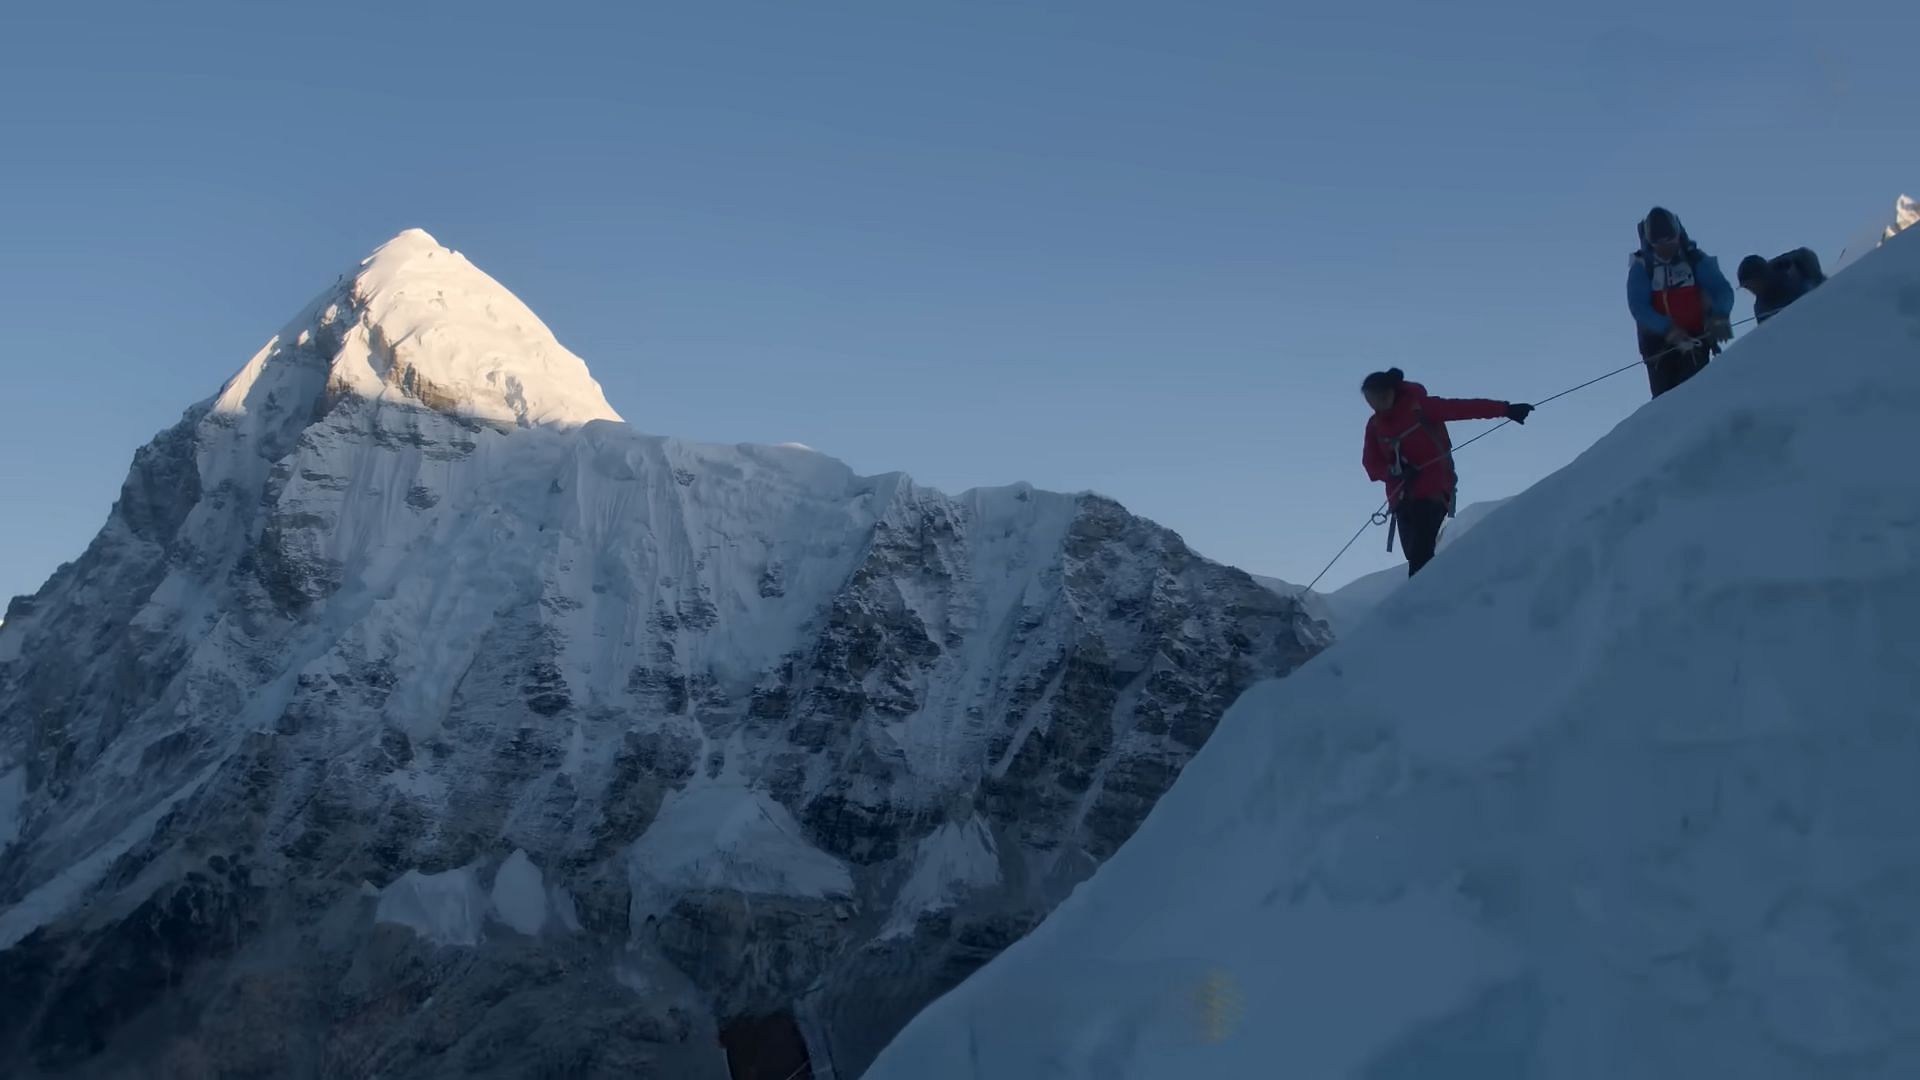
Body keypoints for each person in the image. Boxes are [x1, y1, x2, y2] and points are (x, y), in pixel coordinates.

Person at [1361, 368, 1533, 577]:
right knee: (1415, 555)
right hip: (1401, 500)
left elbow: (1463, 408)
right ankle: (1433, 594)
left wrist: (1506, 409)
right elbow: (1371, 465)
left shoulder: (1420, 406)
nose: (1376, 405)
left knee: (1421, 556)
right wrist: (1393, 472)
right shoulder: (1375, 425)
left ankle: (1421, 602)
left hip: (1433, 491)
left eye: (1378, 398)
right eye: (1370, 401)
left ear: (1390, 391)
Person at [1627, 207, 1736, 399]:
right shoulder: (1642, 267)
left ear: (1678, 235)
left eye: (1670, 240)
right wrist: (1668, 329)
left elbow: (1721, 289)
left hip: (1696, 338)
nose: (1665, 246)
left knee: (1695, 392)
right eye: (1658, 243)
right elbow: (1639, 307)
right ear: (1650, 243)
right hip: (1657, 345)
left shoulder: (1695, 259)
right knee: (1665, 399)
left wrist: (1720, 314)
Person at [1737, 248, 1826, 324]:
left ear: (1761, 275)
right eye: (1746, 287)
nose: (1751, 290)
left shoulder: (1793, 270)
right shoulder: (1761, 309)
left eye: (1751, 284)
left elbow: (1806, 256)